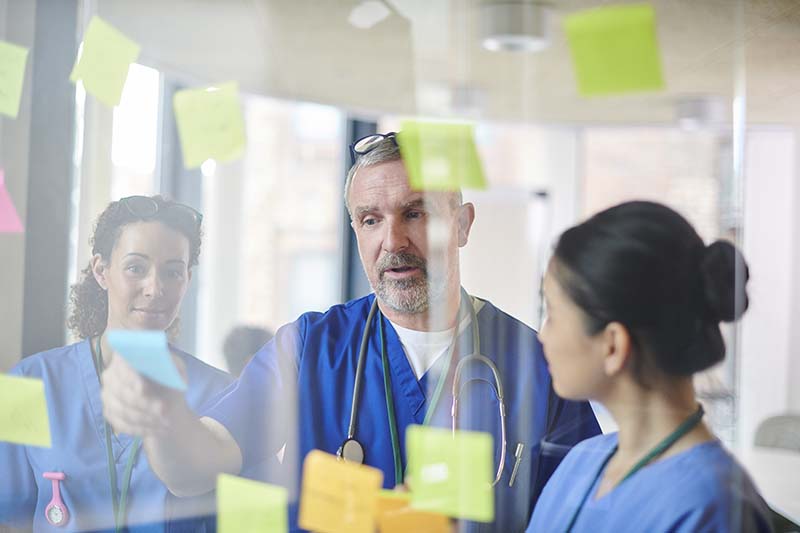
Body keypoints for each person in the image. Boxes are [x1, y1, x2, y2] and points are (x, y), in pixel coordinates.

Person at [100, 133, 601, 532]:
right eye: (370, 220)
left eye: (416, 213)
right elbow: (195, 469)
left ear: (463, 224)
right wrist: (162, 420)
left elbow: (582, 515)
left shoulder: (540, 365)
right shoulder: (311, 349)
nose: (393, 241)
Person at [527, 201, 772, 532]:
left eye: (552, 314)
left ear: (613, 344)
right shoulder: (582, 461)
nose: (543, 336)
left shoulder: (712, 508)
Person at [0, 195, 233, 532]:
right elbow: (8, 522)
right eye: (135, 268)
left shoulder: (222, 395)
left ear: (188, 280)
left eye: (173, 272)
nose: (155, 288)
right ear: (101, 271)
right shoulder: (28, 383)